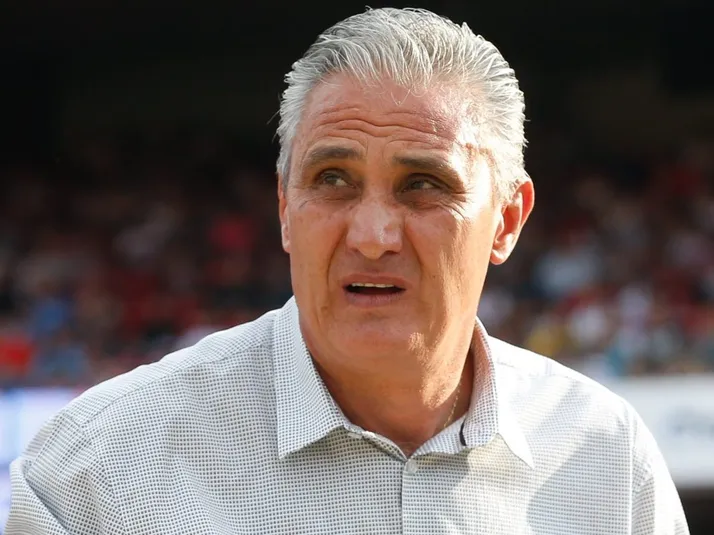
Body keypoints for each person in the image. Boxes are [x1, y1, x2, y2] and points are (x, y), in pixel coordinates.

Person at [6, 7, 688, 534]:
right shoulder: (99, 471)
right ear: (285, 209)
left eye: (424, 184)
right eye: (332, 179)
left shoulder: (608, 461)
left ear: (507, 220)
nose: (372, 236)